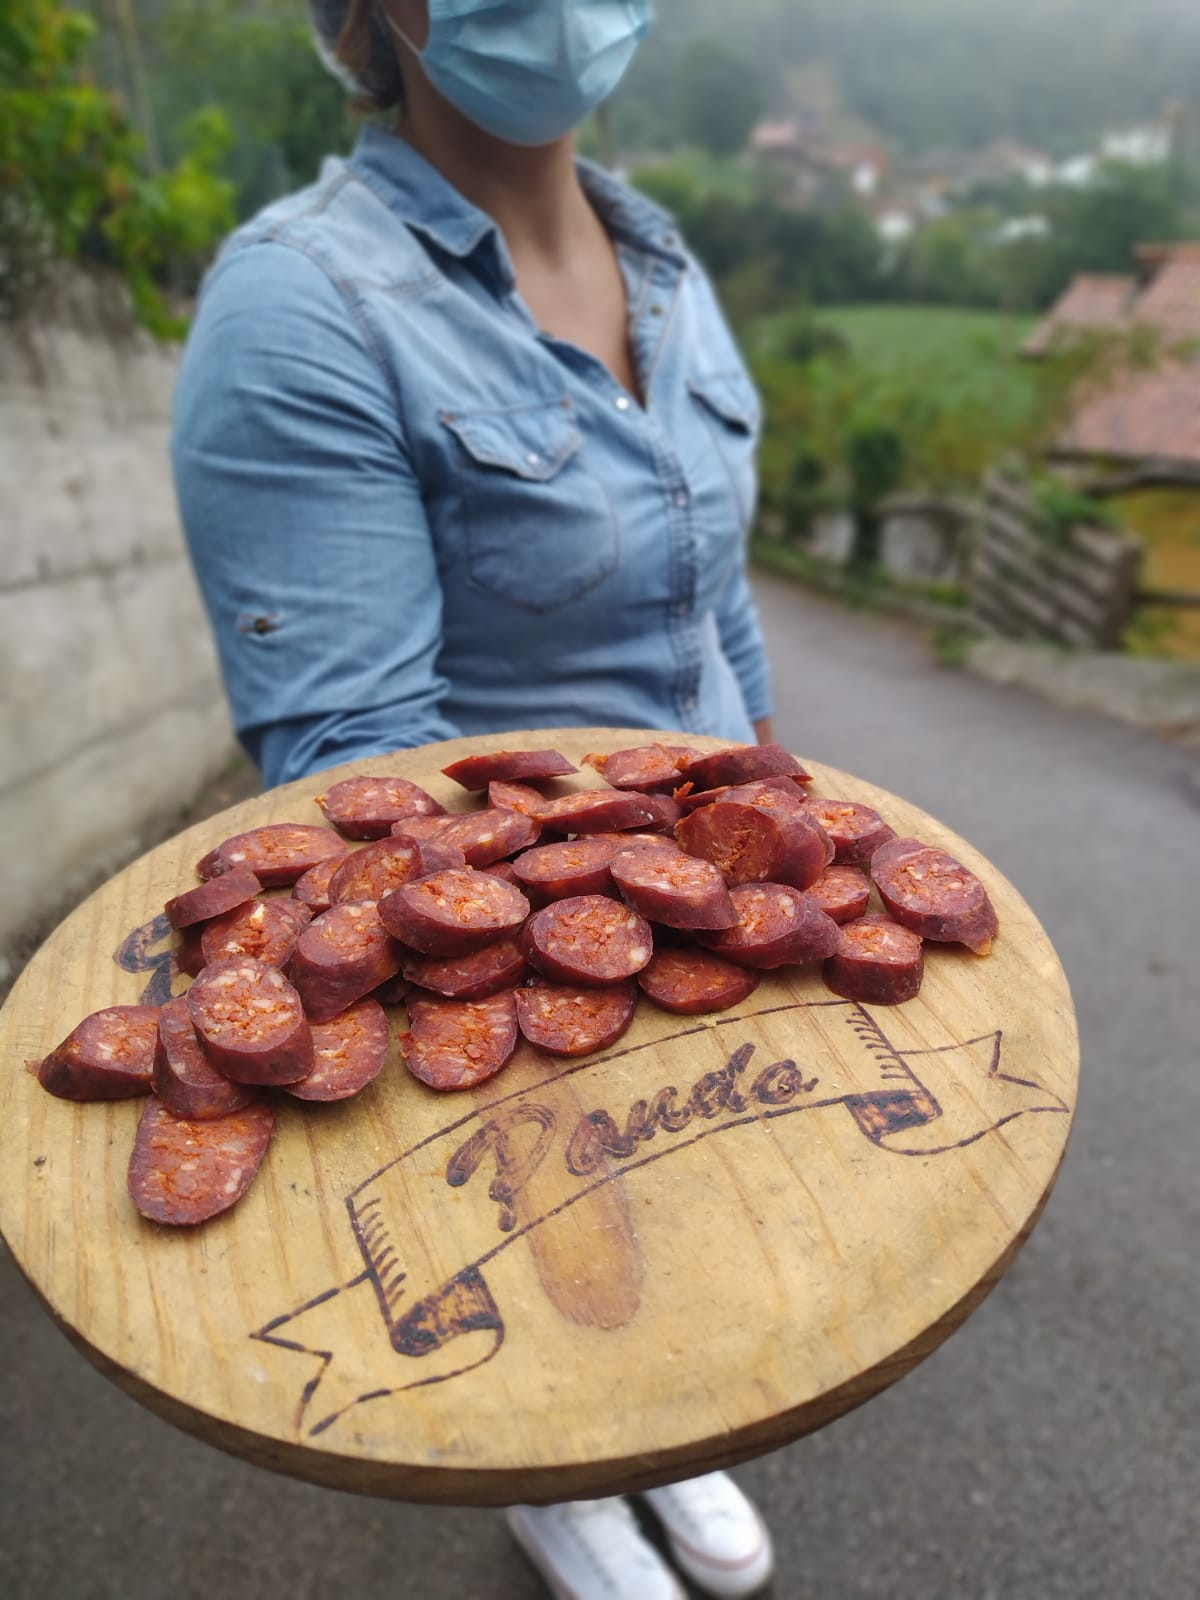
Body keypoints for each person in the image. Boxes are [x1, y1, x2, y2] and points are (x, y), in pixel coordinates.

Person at [171, 3, 777, 1595]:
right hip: (516, 955)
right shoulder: (303, 305)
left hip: (704, 911)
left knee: (689, 1218)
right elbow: (356, 777)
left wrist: (781, 828)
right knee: (550, 1231)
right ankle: (559, 1475)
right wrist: (584, 927)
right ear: (371, 9)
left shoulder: (669, 269)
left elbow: (716, 600)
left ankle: (658, 1420)